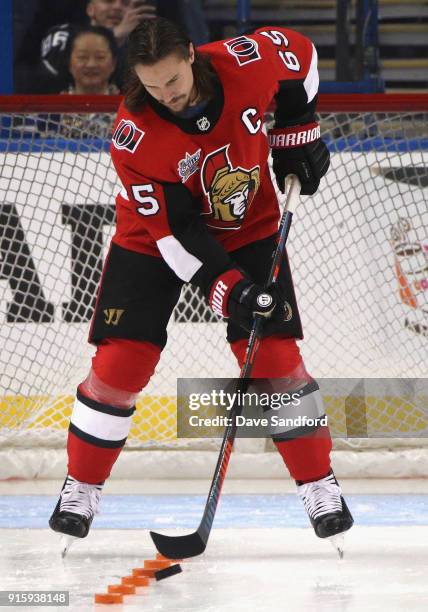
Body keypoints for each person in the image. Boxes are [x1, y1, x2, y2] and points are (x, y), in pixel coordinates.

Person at [49, 17, 353, 553]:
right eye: (151, 85)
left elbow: (301, 58)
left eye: (172, 80)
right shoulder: (135, 134)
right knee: (122, 364)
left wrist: (297, 136)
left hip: (249, 226)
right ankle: (81, 487)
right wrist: (233, 292)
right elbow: (178, 239)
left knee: (274, 359)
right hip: (152, 239)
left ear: (192, 54)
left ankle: (318, 485)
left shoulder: (247, 62)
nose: (165, 95)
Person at [37, 0, 156, 93]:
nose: (117, 7)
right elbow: (47, 81)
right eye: (108, 1)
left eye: (125, 2)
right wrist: (113, 37)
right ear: (90, 9)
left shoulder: (146, 45)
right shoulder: (64, 36)